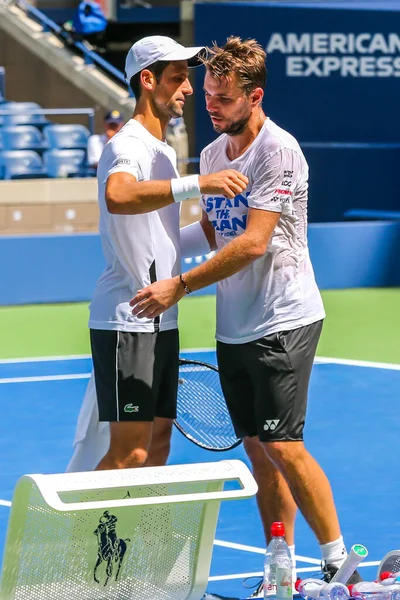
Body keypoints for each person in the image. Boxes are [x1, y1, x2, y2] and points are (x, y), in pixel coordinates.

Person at [129, 36, 361, 593]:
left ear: (254, 96)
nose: (211, 105)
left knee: (283, 443)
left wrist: (178, 284)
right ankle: (280, 566)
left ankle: (339, 565)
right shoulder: (211, 156)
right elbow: (213, 228)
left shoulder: (279, 151)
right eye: (207, 94)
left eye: (224, 99)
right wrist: (148, 252)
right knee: (259, 451)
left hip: (285, 316)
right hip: (234, 325)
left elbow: (254, 241)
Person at [75, 34, 248, 473]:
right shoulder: (128, 144)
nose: (189, 88)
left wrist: (215, 233)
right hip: (128, 316)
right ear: (147, 80)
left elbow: (160, 236)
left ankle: (137, 542)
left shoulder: (164, 152)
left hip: (163, 317)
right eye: (178, 78)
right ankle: (92, 544)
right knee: (129, 452)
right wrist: (200, 184)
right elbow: (119, 196)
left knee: (157, 446)